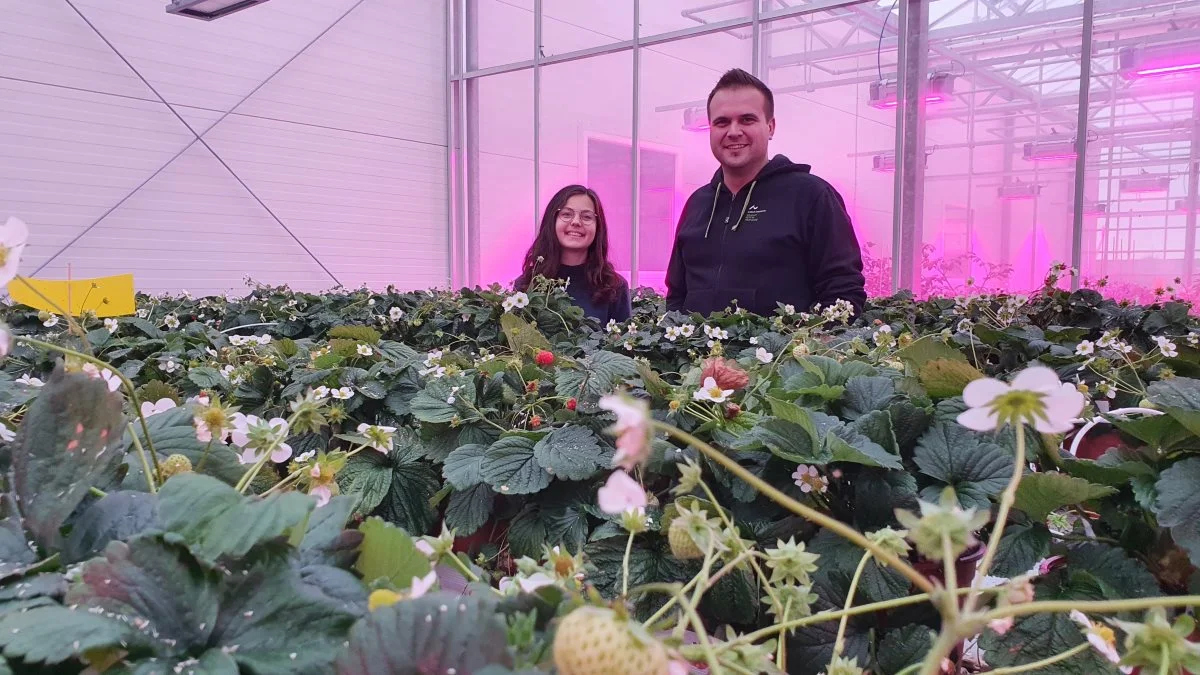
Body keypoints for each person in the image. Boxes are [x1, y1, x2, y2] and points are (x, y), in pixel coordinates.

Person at [665, 68, 866, 318]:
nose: (733, 131)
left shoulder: (811, 197)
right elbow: (676, 294)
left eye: (747, 120)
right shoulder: (697, 203)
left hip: (780, 356)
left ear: (770, 127)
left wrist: (806, 351)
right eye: (722, 122)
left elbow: (843, 293)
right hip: (699, 357)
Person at [515, 185, 632, 326]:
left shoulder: (614, 287)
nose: (576, 222)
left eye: (587, 217)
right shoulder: (527, 284)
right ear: (552, 221)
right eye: (566, 214)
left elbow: (621, 343)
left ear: (598, 227)